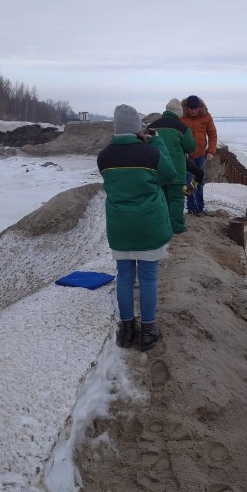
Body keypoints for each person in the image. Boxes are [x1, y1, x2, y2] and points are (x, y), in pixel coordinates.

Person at [97, 104, 176, 351]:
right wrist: (157, 143)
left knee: (124, 277)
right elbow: (170, 175)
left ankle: (127, 328)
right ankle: (148, 330)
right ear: (137, 128)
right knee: (148, 278)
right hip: (148, 226)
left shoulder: (104, 157)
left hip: (120, 226)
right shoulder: (149, 154)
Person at [146, 98, 196, 234]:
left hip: (157, 169)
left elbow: (145, 144)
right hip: (176, 170)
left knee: (163, 198)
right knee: (177, 198)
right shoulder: (182, 128)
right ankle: (177, 227)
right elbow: (191, 147)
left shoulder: (152, 126)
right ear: (178, 113)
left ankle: (164, 225)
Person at [180, 94, 218, 216]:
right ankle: (192, 209)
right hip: (187, 155)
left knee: (200, 182)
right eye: (191, 109)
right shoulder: (181, 117)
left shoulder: (206, 116)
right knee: (190, 182)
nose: (194, 111)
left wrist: (211, 151)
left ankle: (200, 209)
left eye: (196, 108)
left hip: (201, 155)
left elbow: (212, 134)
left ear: (199, 107)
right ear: (187, 108)